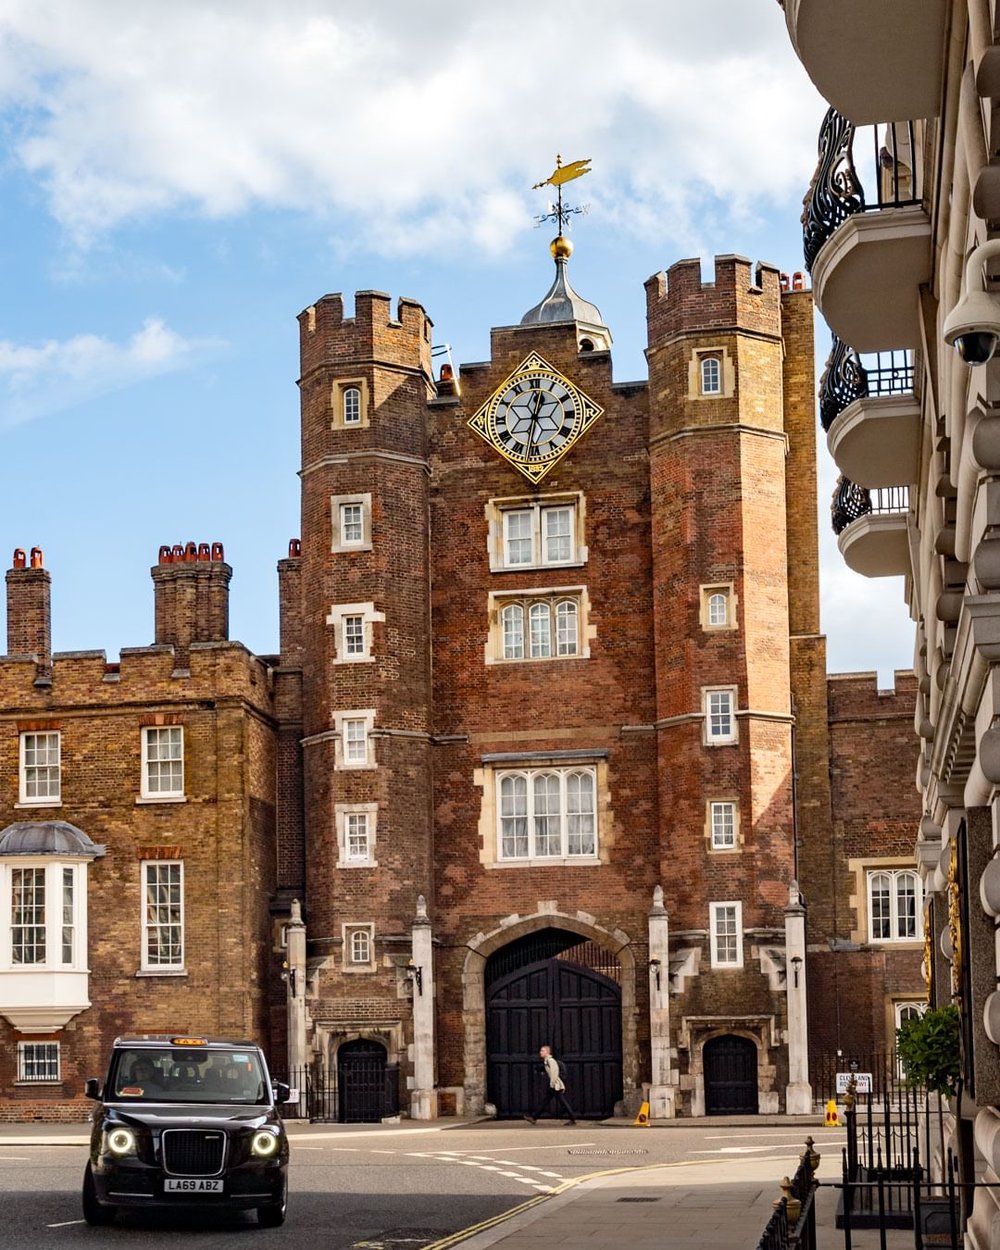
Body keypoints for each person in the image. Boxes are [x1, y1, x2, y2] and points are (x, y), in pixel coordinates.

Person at [524, 1045, 577, 1125]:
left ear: (547, 1052)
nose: (540, 1052)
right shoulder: (547, 1061)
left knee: (562, 1102)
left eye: (542, 1051)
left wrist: (552, 1084)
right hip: (554, 1085)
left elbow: (554, 1073)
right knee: (546, 1101)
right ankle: (534, 1118)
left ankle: (572, 1119)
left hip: (555, 1086)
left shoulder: (550, 1061)